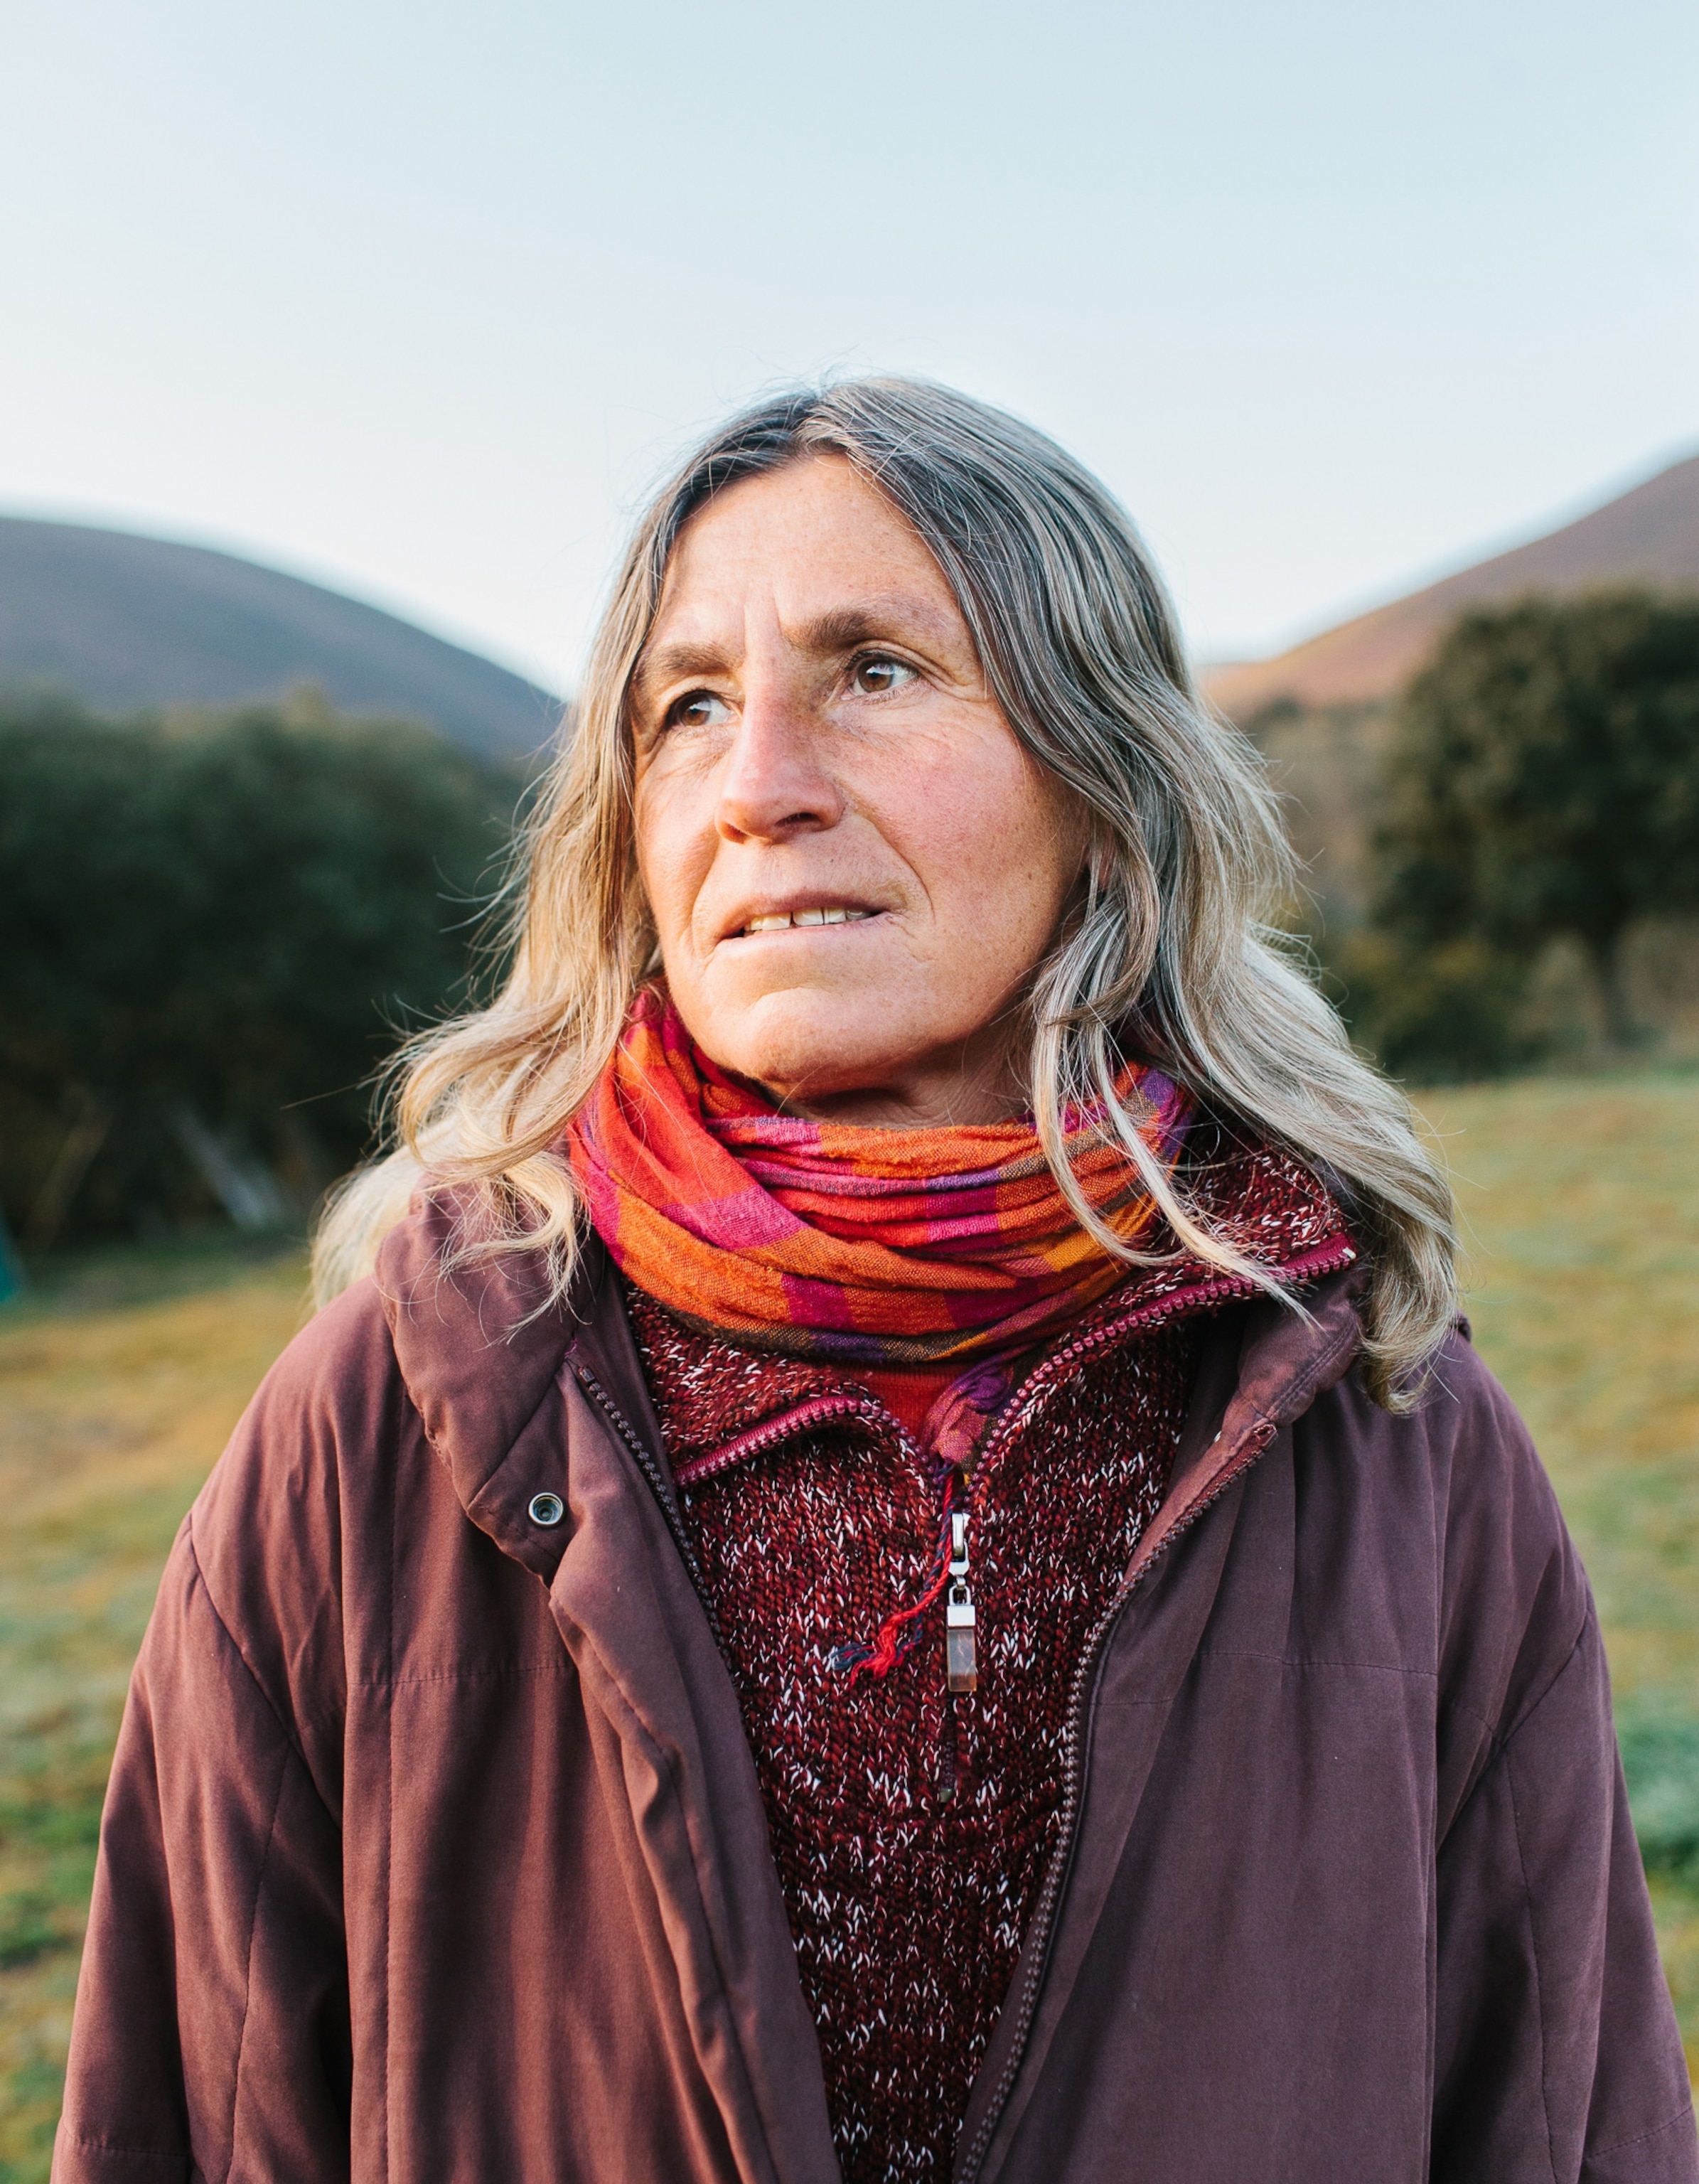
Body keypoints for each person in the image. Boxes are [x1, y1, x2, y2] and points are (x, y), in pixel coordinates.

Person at [55, 380, 1693, 2184]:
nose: (758, 786)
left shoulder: (1396, 1438)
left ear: (1103, 776)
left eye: (876, 672)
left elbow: (1568, 2126)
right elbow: (190, 2125)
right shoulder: (377, 1427)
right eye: (688, 708)